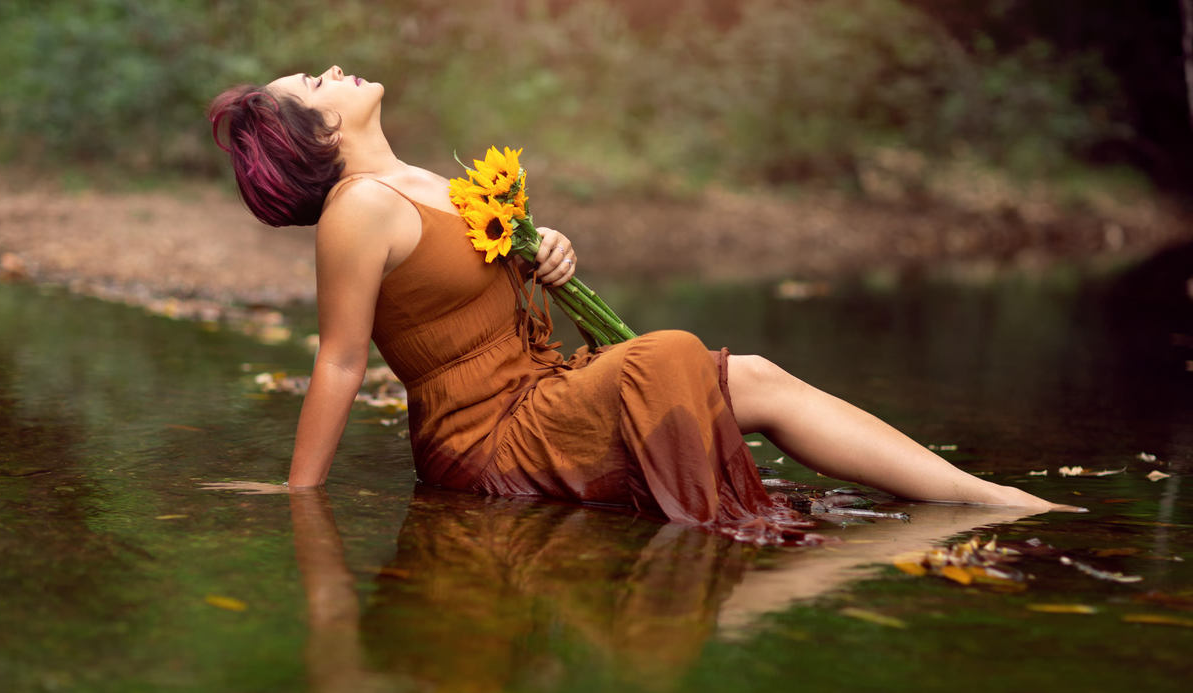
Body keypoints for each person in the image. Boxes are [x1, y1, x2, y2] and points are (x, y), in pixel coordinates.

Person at [207, 65, 1076, 530]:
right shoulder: (357, 208)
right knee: (688, 360)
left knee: (751, 376)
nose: (331, 71)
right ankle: (984, 501)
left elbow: (467, 284)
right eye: (312, 85)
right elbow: (340, 360)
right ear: (315, 135)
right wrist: (301, 498)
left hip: (539, 391)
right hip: (488, 436)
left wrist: (545, 249)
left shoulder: (431, 180)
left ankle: (971, 495)